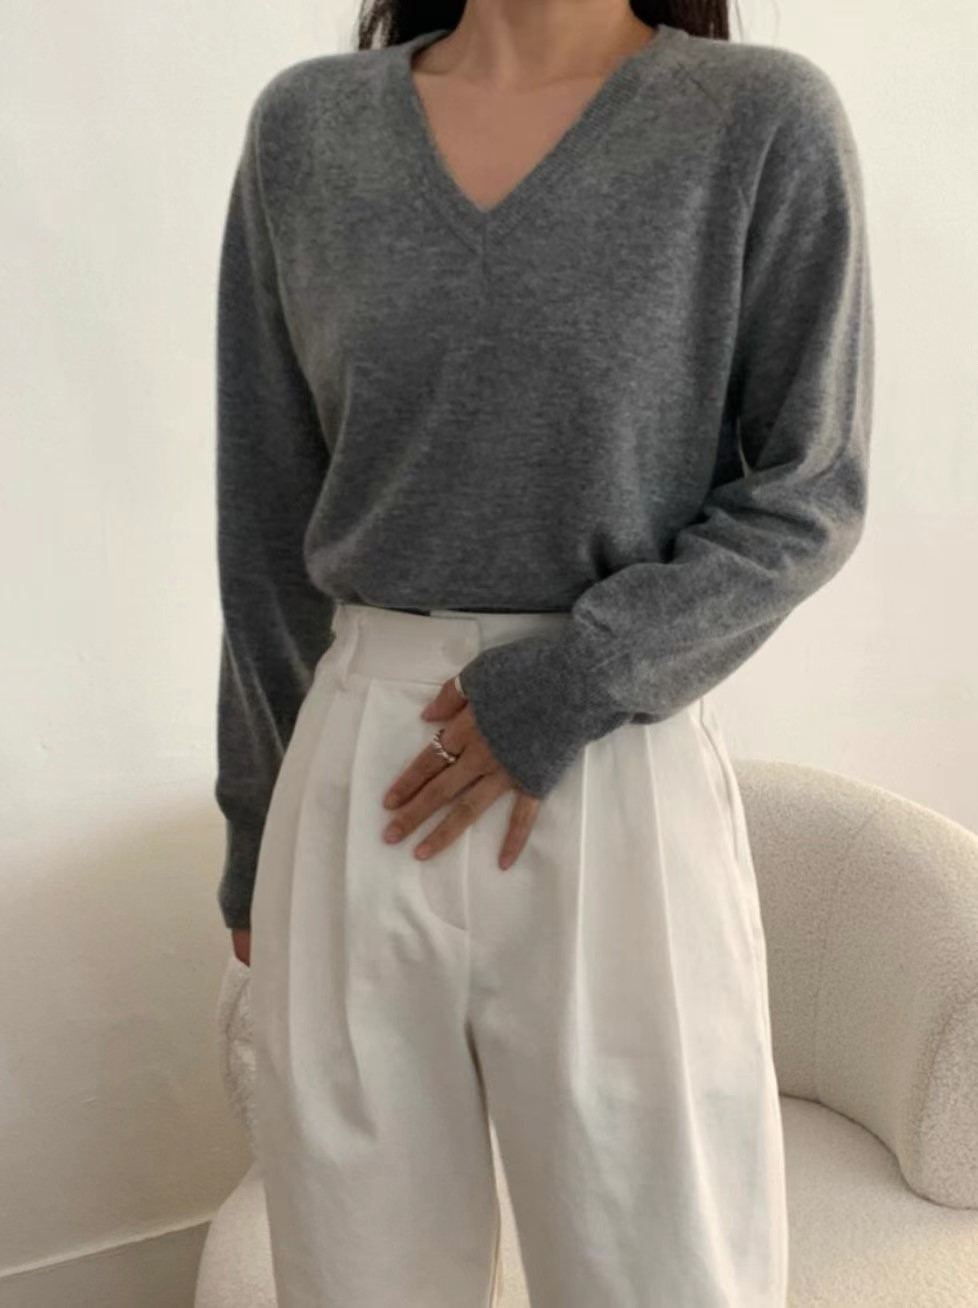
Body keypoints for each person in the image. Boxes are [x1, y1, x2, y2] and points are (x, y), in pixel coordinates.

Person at [212, 1, 874, 1303]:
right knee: (357, 1275)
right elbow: (267, 519)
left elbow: (810, 491)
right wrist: (254, 831)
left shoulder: (756, 119)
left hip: (617, 763)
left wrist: (576, 682)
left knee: (663, 1270)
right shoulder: (308, 130)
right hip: (358, 769)